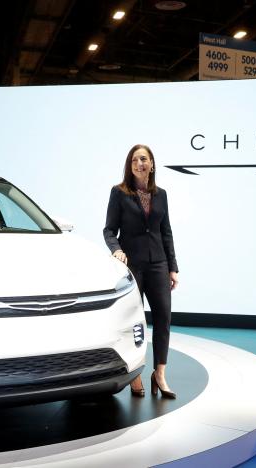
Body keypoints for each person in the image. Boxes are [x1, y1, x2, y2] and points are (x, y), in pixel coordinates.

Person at [103, 144, 179, 399]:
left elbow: (166, 232)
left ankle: (160, 374)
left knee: (163, 319)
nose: (139, 164)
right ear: (129, 165)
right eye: (134, 160)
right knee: (135, 321)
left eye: (143, 159)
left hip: (159, 264)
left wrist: (173, 268)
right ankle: (135, 374)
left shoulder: (162, 195)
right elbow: (109, 230)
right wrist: (116, 250)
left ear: (152, 164)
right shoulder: (119, 193)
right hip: (132, 265)